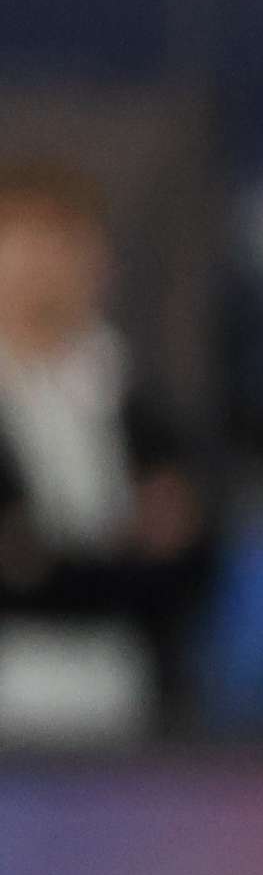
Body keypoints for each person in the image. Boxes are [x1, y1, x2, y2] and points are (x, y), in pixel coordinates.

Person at [0, 160, 214, 739]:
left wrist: (50, 558)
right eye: (19, 239)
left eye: (62, 242)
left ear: (99, 264)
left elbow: (189, 562)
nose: (39, 266)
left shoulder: (143, 411)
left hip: (131, 703)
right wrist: (119, 549)